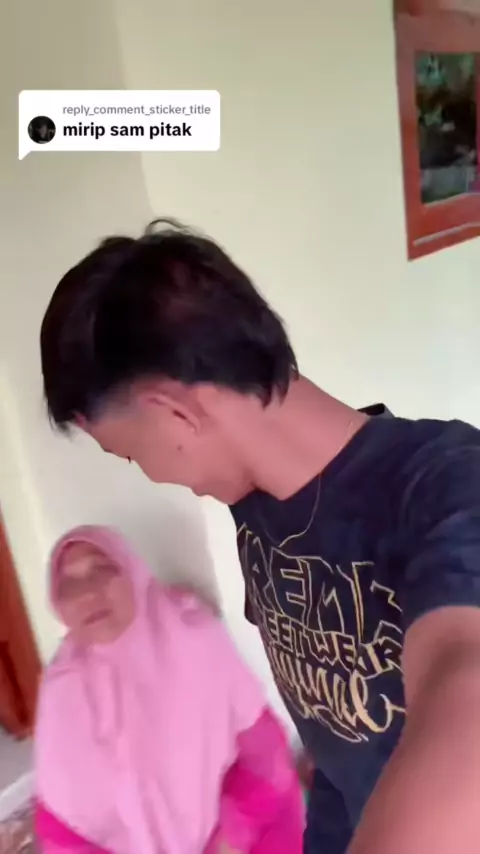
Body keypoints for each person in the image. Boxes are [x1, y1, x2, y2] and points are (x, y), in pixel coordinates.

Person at [39, 219, 480, 854]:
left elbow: (465, 682)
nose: (155, 475)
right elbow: (333, 746)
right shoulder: (258, 512)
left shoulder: (449, 484)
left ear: (175, 414)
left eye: (133, 456)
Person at [35, 525, 304, 854]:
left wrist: (230, 838)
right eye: (68, 584)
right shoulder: (61, 687)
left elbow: (265, 755)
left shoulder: (193, 639)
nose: (87, 593)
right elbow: (60, 821)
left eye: (102, 569)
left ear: (133, 572)